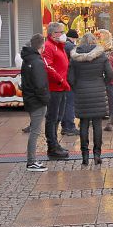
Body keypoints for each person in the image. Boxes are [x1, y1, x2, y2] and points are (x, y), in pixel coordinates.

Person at [69, 33, 113, 165]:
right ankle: (97, 154)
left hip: (82, 91)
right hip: (98, 90)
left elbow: (70, 78)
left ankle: (84, 156)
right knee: (97, 124)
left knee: (83, 123)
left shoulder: (75, 57)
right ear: (94, 41)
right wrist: (102, 83)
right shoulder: (101, 55)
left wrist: (77, 87)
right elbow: (110, 74)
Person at [20, 34, 51, 171]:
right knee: (35, 131)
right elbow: (40, 84)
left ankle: (32, 160)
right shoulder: (37, 62)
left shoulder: (27, 59)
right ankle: (31, 161)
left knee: (35, 130)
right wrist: (45, 99)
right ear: (41, 45)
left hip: (30, 98)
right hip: (37, 101)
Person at [42, 22, 71, 160]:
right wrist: (60, 80)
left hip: (62, 87)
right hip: (55, 87)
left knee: (58, 116)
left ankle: (55, 144)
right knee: (52, 117)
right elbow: (48, 67)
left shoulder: (59, 46)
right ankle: (52, 146)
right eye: (61, 31)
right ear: (53, 34)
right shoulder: (48, 46)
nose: (63, 34)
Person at [60, 29, 80, 137]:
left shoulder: (63, 45)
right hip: (69, 79)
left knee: (65, 103)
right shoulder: (70, 46)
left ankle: (65, 126)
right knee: (70, 104)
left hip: (64, 78)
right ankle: (69, 127)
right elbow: (77, 60)